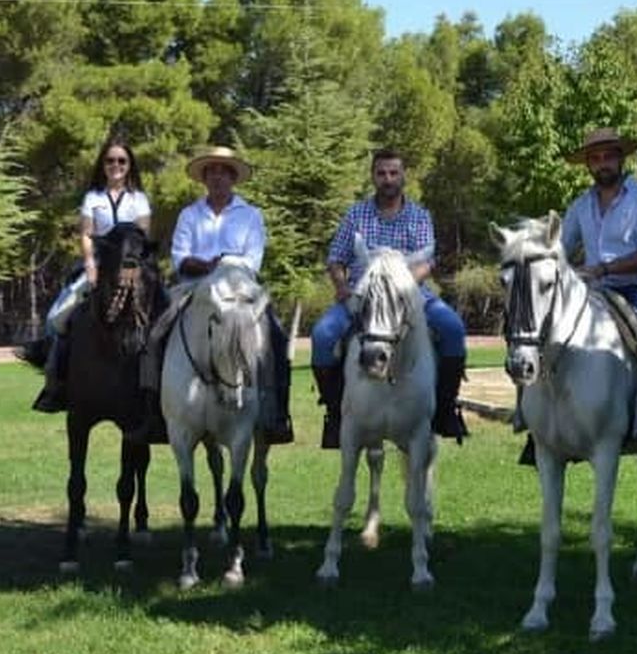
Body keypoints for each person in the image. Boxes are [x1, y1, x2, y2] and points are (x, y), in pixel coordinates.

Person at [131, 145, 294, 445]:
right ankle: (154, 414)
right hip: (194, 288)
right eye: (212, 172)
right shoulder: (189, 215)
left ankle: (275, 414)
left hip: (240, 290)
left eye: (224, 172)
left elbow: (254, 260)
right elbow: (180, 257)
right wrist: (206, 266)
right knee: (153, 335)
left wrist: (223, 265)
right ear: (204, 178)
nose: (218, 177)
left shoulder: (251, 215)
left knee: (278, 337)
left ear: (233, 178)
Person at [310, 149, 468, 449]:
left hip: (410, 294)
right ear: (373, 176)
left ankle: (446, 411)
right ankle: (335, 414)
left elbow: (426, 263)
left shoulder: (419, 216)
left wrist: (401, 285)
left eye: (394, 173)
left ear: (403, 176)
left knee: (453, 330)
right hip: (361, 294)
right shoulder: (356, 214)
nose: (388, 179)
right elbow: (335, 259)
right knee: (322, 336)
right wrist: (342, 285)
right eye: (381, 173)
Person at [558, 128, 637, 474]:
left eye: (609, 156)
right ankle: (541, 427)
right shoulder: (580, 205)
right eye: (595, 158)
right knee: (539, 337)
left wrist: (603, 268)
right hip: (589, 293)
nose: (603, 163)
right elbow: (560, 249)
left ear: (621, 158)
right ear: (588, 164)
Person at [28, 137, 154, 412]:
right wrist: (90, 265)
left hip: (134, 267)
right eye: (110, 161)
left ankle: (154, 390)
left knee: (163, 317)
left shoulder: (139, 199)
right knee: (56, 319)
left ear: (129, 165)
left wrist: (132, 269)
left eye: (122, 160)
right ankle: (56, 385)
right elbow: (86, 234)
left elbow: (142, 236)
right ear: (103, 165)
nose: (116, 165)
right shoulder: (93, 198)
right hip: (98, 266)